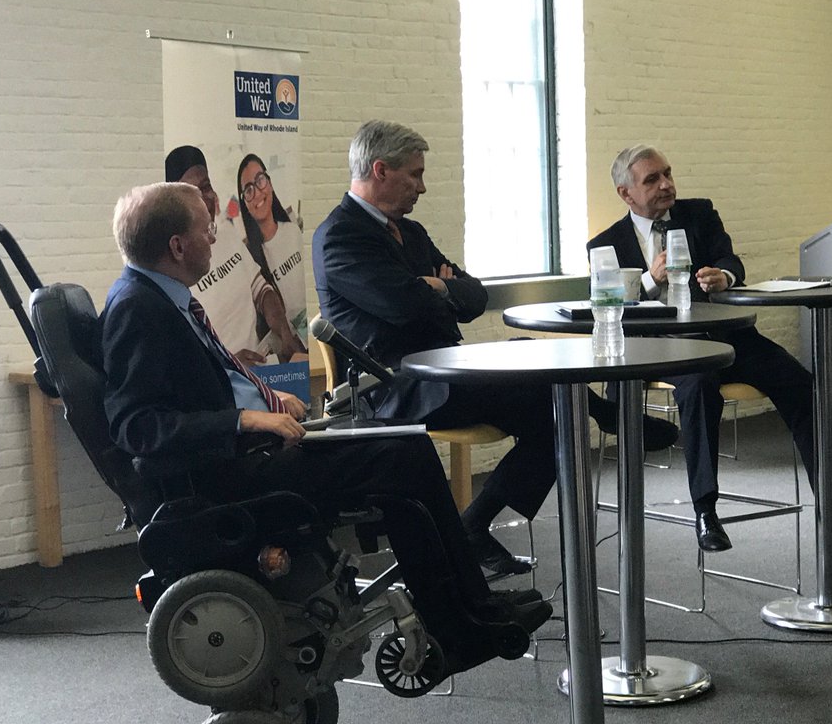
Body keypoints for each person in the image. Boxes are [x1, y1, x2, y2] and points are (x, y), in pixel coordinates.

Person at [101, 181, 549, 650]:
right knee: (400, 458)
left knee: (405, 445)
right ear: (177, 246)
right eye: (206, 229)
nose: (214, 236)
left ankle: (471, 605)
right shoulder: (138, 310)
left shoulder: (157, 297)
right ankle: (458, 623)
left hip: (246, 451)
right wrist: (245, 420)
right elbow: (136, 427)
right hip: (223, 474)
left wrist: (267, 400)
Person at [312, 120, 677, 577]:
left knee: (545, 390)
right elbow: (401, 305)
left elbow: (475, 296)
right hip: (397, 385)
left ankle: (475, 524)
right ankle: (601, 413)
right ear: (381, 171)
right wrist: (437, 289)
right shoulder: (339, 236)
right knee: (551, 394)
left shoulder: (412, 232)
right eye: (415, 175)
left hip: (446, 367)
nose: (422, 187)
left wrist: (439, 288)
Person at [587, 144, 832, 551]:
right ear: (626, 193)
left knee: (801, 384)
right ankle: (705, 512)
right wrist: (648, 281)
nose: (666, 184)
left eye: (668, 173)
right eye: (652, 179)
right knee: (699, 387)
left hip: (725, 337)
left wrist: (724, 277)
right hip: (663, 351)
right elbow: (606, 308)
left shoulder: (699, 214)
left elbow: (732, 261)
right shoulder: (606, 245)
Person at [160, 146, 298, 366]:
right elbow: (180, 354)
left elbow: (260, 288)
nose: (203, 198)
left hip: (262, 367)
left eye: (206, 187)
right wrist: (228, 363)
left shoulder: (227, 233)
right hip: (218, 380)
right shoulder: (171, 266)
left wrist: (281, 326)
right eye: (191, 192)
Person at [236, 153, 308, 362]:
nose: (257, 193)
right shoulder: (250, 258)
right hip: (286, 351)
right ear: (244, 203)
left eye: (260, 180)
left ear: (270, 183)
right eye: (248, 189)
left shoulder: (293, 231)